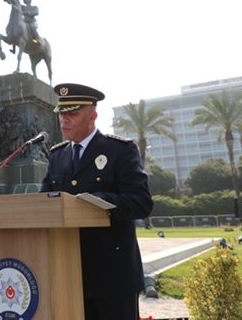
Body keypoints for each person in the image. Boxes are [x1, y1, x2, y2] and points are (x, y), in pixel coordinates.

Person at [41, 83, 153, 320]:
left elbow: (142, 202)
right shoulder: (57, 155)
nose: (64, 119)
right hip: (67, 271)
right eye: (62, 113)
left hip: (112, 274)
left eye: (73, 113)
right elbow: (45, 203)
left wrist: (99, 202)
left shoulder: (120, 150)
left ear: (93, 115)